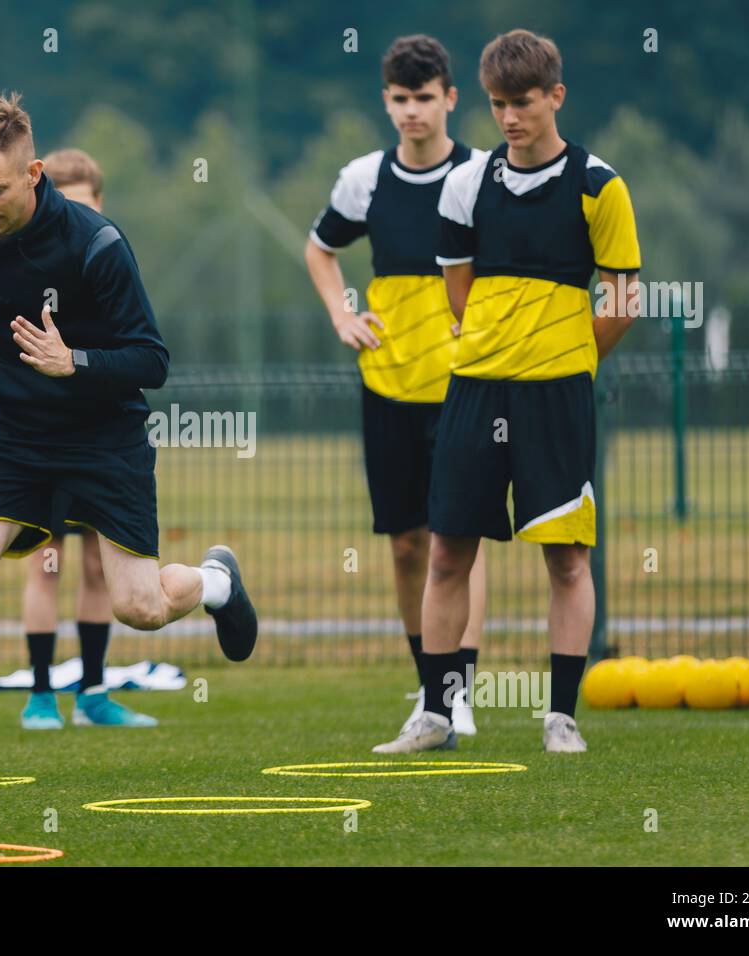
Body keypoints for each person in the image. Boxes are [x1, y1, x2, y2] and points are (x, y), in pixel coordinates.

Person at [0, 93, 257, 785]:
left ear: (35, 171)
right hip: (17, 435)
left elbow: (152, 361)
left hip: (105, 439)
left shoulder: (98, 244)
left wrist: (76, 362)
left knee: (141, 608)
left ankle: (217, 582)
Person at [416, 29, 641, 753]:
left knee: (566, 558)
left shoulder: (599, 185)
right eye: (496, 105)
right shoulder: (466, 182)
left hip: (557, 397)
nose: (508, 118)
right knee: (448, 551)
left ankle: (561, 716)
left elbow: (621, 299)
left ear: (556, 97)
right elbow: (460, 295)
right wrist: (500, 345)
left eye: (522, 103)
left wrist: (570, 358)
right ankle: (436, 714)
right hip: (475, 391)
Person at [305, 34, 487, 751]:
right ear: (386, 102)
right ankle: (431, 691)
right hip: (388, 381)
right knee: (408, 544)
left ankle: (459, 691)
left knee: (460, 539)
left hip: (468, 386)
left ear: (450, 98)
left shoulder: (479, 174)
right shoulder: (364, 178)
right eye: (400, 100)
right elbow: (320, 248)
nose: (413, 112)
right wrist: (341, 314)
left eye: (425, 98)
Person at [19, 147, 157, 729]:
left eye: (85, 206)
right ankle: (41, 695)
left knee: (103, 569)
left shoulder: (109, 258)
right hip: (42, 434)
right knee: (44, 563)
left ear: (100, 206)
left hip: (103, 439)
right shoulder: (27, 264)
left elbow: (145, 354)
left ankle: (94, 693)